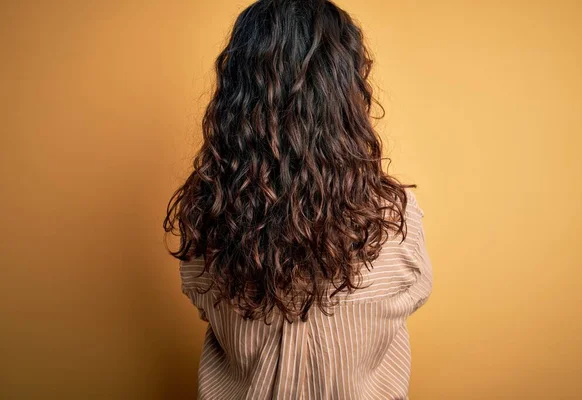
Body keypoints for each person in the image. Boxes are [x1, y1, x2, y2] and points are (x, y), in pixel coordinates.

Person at [163, 0, 433, 398]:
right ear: (346, 92)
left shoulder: (208, 217)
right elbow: (414, 291)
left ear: (237, 97)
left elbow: (203, 300)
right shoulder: (398, 221)